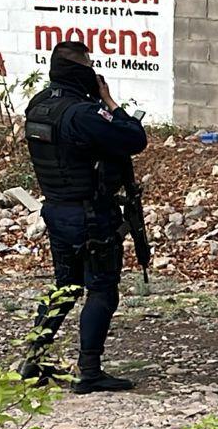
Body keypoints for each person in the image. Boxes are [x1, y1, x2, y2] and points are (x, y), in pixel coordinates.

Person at [20, 40, 148, 393]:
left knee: (65, 285)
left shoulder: (40, 106)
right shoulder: (84, 115)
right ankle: (89, 370)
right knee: (102, 289)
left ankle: (33, 358)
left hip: (56, 210)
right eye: (90, 69)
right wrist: (109, 101)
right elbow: (135, 138)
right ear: (84, 74)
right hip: (90, 215)